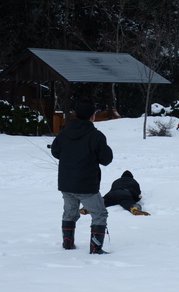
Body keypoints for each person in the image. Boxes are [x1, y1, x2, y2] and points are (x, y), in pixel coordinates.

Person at [51, 98, 113, 254]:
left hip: (66, 182)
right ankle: (95, 248)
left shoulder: (64, 132)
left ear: (76, 114)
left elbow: (55, 152)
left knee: (70, 213)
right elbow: (106, 159)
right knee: (99, 213)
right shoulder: (95, 135)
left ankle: (67, 244)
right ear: (92, 116)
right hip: (86, 184)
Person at [80, 170, 150, 216]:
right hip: (125, 193)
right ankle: (135, 209)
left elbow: (112, 189)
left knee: (102, 202)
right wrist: (135, 198)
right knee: (128, 203)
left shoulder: (116, 181)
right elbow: (137, 194)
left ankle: (87, 208)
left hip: (112, 193)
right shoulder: (133, 181)